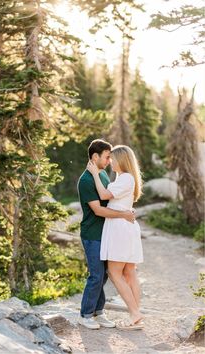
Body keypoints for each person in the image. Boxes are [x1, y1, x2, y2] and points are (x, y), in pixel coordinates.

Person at [77, 139, 135, 330]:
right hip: (92, 234)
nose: (110, 160)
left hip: (107, 233)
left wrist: (126, 211)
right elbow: (99, 210)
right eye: (107, 157)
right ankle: (85, 315)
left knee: (103, 276)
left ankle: (98, 312)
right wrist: (124, 215)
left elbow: (113, 200)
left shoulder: (102, 177)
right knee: (96, 275)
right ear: (95, 157)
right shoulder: (86, 181)